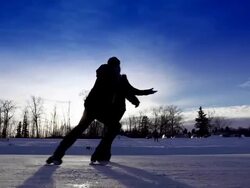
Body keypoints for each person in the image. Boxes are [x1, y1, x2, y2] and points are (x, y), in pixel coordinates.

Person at [46, 57, 157, 165]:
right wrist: (144, 93)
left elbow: (125, 91)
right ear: (118, 66)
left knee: (78, 130)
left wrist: (134, 99)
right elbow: (130, 90)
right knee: (114, 127)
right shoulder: (118, 77)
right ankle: (99, 154)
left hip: (90, 107)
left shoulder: (103, 71)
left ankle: (57, 155)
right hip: (102, 109)